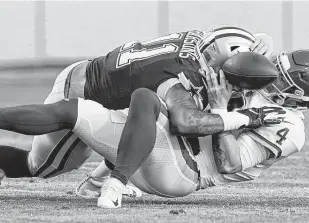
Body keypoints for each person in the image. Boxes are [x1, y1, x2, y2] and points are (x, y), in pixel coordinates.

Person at [0, 50, 309, 208]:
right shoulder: (254, 92)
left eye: (281, 78)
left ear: (297, 95)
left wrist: (221, 109)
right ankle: (103, 183)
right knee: (72, 112)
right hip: (160, 147)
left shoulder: (289, 127)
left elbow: (229, 163)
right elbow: (150, 128)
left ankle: (114, 186)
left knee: (145, 99)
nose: (270, 77)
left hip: (182, 173)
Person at [0, 26, 273, 180]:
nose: (233, 83)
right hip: (85, 93)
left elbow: (239, 40)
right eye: (232, 72)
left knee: (140, 123)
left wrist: (260, 40)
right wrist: (230, 113)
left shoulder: (201, 38)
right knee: (42, 166)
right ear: (217, 55)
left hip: (87, 73)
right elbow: (184, 122)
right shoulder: (180, 78)